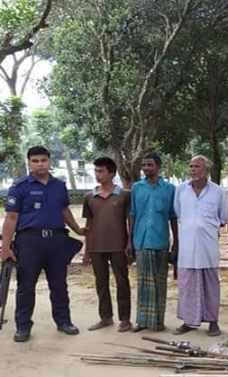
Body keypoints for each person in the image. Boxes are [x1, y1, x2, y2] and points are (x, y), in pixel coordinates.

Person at [1, 146, 86, 342]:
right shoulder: (19, 187)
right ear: (29, 163)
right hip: (29, 242)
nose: (40, 164)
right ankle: (23, 327)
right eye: (35, 161)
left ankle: (64, 321)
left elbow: (64, 210)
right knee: (26, 286)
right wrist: (5, 247)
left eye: (43, 160)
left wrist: (77, 230)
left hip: (56, 241)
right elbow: (12, 217)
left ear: (49, 162)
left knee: (59, 285)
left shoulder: (59, 186)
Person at [172, 155, 228, 336]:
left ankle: (213, 322)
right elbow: (179, 213)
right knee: (187, 287)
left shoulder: (218, 192)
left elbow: (223, 218)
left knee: (210, 287)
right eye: (191, 166)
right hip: (187, 249)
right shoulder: (181, 190)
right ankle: (189, 322)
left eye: (197, 166)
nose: (193, 170)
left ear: (206, 171)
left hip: (208, 248)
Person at [82, 157, 133, 332]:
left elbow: (130, 221)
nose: (98, 174)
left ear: (111, 173)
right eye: (96, 171)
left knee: (122, 282)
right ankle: (105, 317)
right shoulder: (89, 196)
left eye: (101, 171)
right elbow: (89, 224)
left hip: (118, 245)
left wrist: (129, 243)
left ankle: (125, 319)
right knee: (100, 282)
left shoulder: (125, 194)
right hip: (96, 246)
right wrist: (87, 249)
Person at [129, 152, 178, 333]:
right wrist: (129, 240)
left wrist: (176, 242)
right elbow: (133, 214)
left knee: (159, 283)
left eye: (149, 165)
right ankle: (142, 321)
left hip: (160, 241)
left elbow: (173, 217)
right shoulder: (136, 188)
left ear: (158, 167)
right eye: (144, 165)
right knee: (143, 282)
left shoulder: (169, 189)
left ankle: (158, 321)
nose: (146, 168)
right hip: (141, 240)